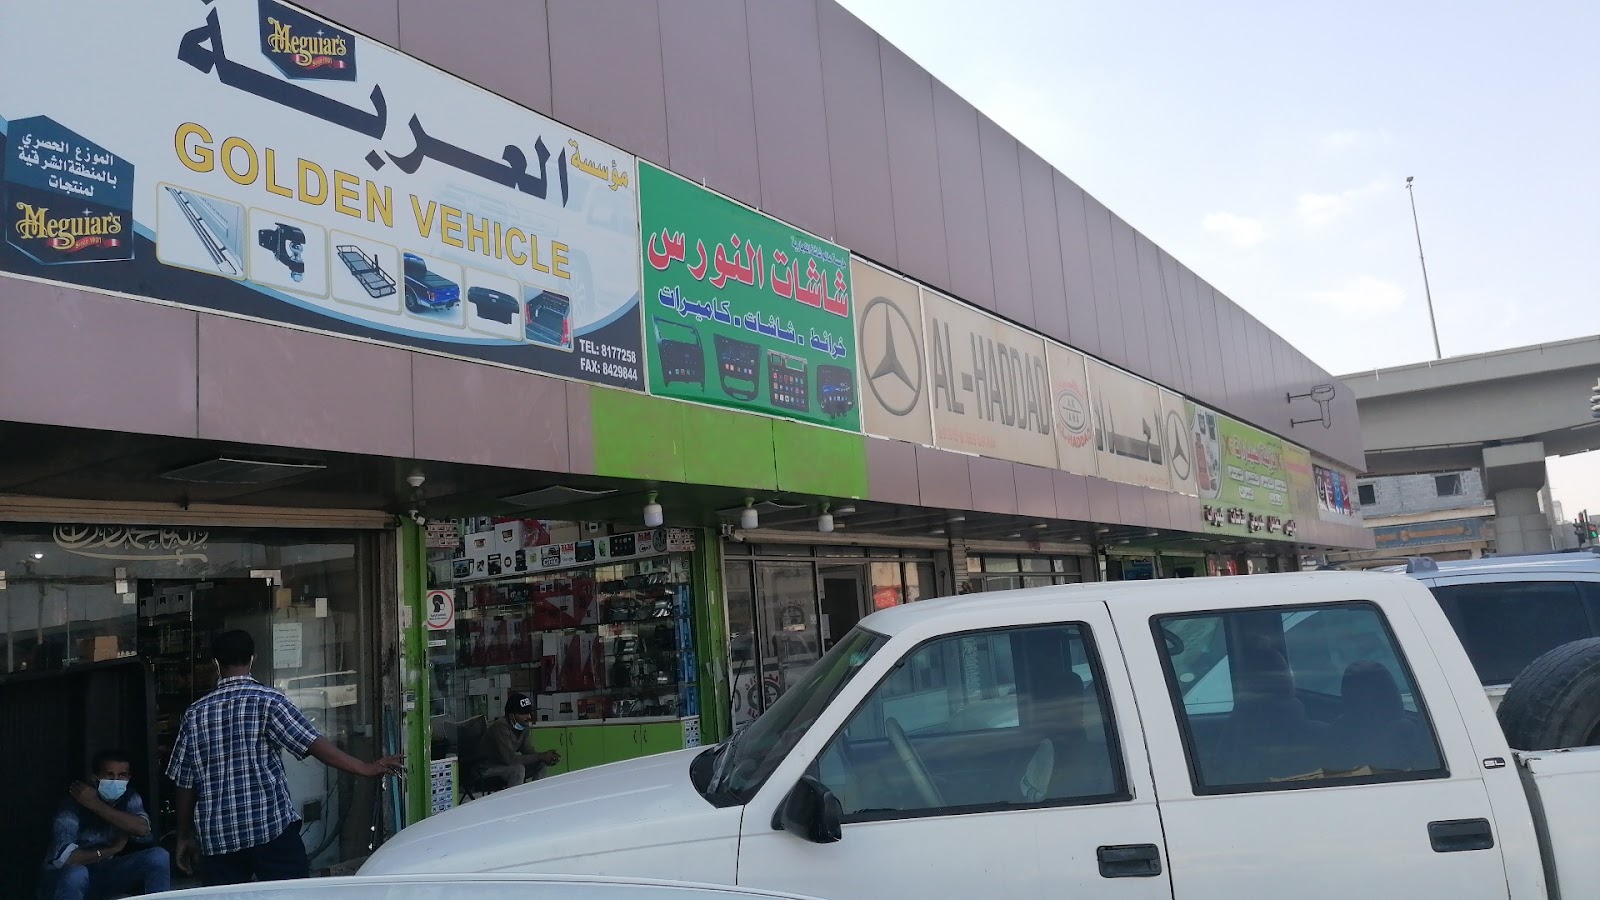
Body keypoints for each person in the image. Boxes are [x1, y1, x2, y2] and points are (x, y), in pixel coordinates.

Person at [167, 630, 404, 885]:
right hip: (270, 828)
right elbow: (313, 743)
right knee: (292, 893)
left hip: (219, 837)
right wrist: (365, 768)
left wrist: (183, 834)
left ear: (216, 663)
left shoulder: (195, 715)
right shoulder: (270, 701)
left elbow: (185, 782)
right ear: (253, 659)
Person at [39, 749, 170, 899]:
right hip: (62, 881)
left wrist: (97, 805)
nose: (116, 780)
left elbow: (142, 829)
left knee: (158, 856)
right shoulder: (71, 806)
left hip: (103, 874)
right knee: (77, 873)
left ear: (128, 778)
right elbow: (65, 860)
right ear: (95, 778)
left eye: (122, 775)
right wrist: (112, 849)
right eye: (109, 775)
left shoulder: (128, 797)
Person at [479, 693, 560, 788]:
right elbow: (510, 759)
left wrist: (545, 757)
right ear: (511, 716)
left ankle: (537, 795)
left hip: (504, 766)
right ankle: (515, 798)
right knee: (518, 769)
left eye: (529, 713)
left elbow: (528, 751)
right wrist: (540, 756)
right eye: (524, 713)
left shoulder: (523, 726)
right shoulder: (500, 727)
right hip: (486, 769)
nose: (529, 717)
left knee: (541, 764)